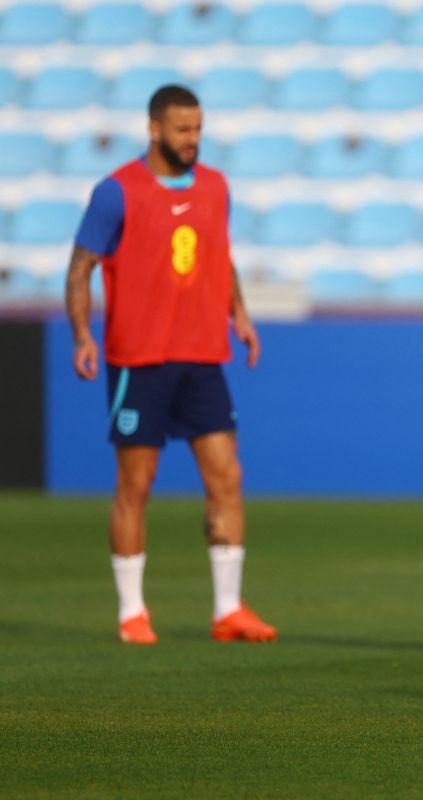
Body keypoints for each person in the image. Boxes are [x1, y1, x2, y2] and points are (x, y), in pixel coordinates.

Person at [66, 85, 276, 645]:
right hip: (141, 358)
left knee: (227, 476)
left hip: (203, 353)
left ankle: (228, 609)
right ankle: (132, 612)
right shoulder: (117, 192)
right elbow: (80, 266)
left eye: (199, 129)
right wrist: (83, 334)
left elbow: (219, 253)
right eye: (183, 130)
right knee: (136, 484)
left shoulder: (215, 186)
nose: (193, 140)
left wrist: (241, 315)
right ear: (155, 128)